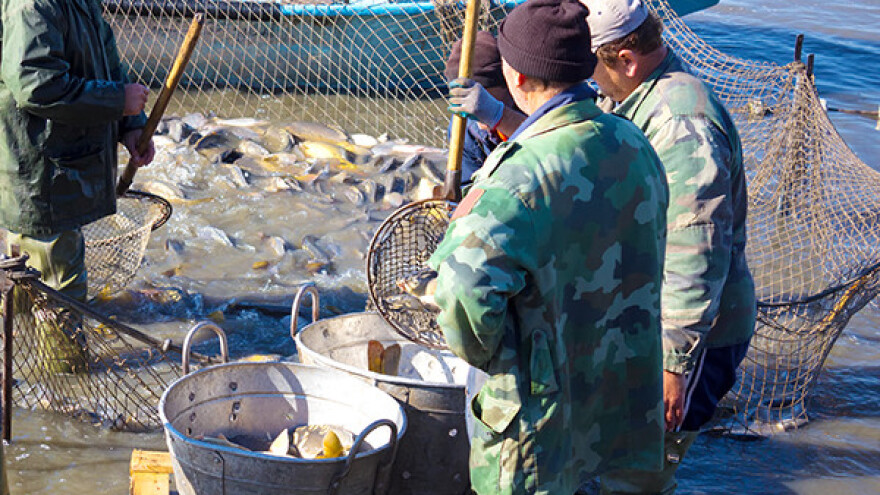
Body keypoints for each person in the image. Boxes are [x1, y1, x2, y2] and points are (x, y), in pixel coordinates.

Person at [426, 0, 669, 492]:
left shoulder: (514, 178)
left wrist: (495, 357)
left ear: (515, 79)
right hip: (623, 406)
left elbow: (459, 293)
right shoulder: (635, 141)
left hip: (540, 428)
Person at [581, 1, 757, 493]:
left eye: (592, 65)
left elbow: (694, 254)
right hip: (646, 321)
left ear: (625, 60)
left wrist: (673, 366)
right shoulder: (632, 98)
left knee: (637, 472)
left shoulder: (683, 124)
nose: (588, 78)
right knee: (615, 455)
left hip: (690, 336)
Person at [0, 0, 154, 302]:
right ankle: (62, 352)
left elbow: (109, 65)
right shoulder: (31, 5)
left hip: (67, 165)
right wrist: (116, 101)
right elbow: (36, 86)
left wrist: (132, 125)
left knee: (55, 280)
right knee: (56, 293)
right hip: (39, 174)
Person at [445, 31, 522, 187]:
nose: (478, 112)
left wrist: (499, 116)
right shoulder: (463, 127)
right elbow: (466, 183)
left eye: (484, 99)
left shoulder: (532, 107)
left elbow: (554, 148)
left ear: (509, 85)